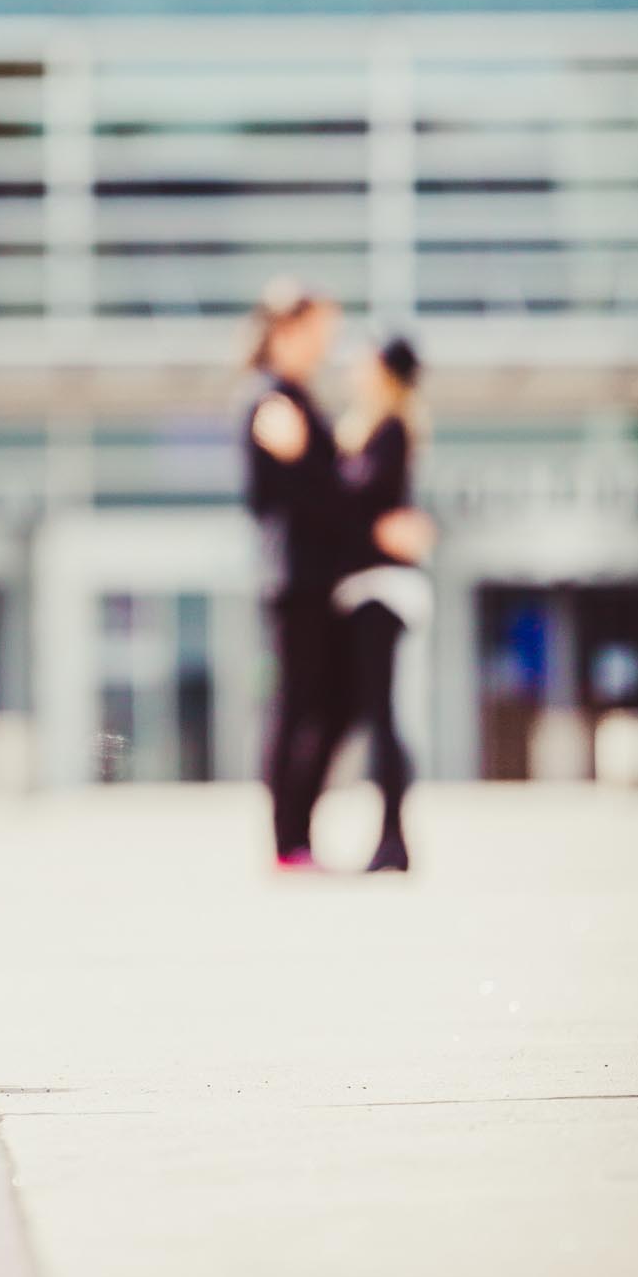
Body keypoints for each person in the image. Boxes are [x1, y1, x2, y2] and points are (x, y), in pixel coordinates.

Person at [243, 280, 429, 871]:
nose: (333, 347)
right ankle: (291, 841)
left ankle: (331, 838)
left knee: (343, 710)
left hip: (351, 587)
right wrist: (377, 527)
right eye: (322, 331)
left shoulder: (367, 419)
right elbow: (318, 498)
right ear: (286, 330)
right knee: (307, 709)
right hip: (307, 583)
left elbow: (353, 493)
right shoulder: (275, 400)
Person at [331, 336, 432, 874]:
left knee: (382, 716)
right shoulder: (371, 425)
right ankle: (392, 835)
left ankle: (394, 836)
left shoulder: (389, 429)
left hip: (381, 590)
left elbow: (365, 503)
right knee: (376, 715)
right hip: (369, 586)